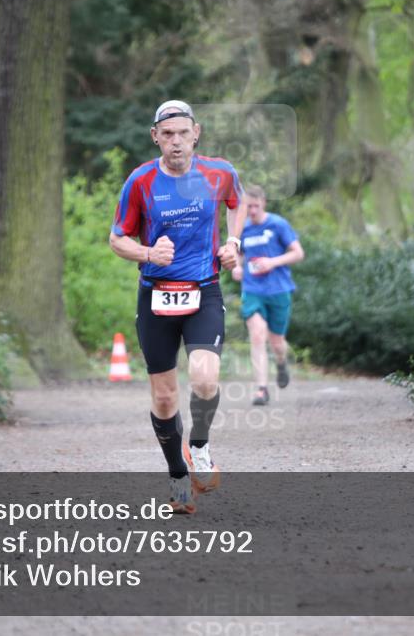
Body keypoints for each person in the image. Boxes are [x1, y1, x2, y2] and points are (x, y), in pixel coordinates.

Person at [109, 100, 244, 514]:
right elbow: (117, 239)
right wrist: (149, 253)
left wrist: (233, 243)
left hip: (204, 291)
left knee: (204, 378)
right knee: (165, 397)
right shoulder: (140, 181)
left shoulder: (219, 173)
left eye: (184, 133)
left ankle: (199, 447)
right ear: (155, 137)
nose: (176, 141)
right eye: (167, 134)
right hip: (156, 295)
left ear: (196, 133)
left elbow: (237, 203)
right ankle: (178, 479)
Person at [231, 185, 304, 405]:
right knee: (257, 335)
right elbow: (239, 256)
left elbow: (298, 253)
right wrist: (237, 267)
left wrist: (272, 262)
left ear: (263, 203)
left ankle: (281, 363)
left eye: (256, 206)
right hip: (253, 290)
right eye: (248, 207)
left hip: (278, 289)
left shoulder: (278, 224)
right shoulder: (242, 229)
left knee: (277, 342)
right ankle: (261, 390)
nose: (252, 211)